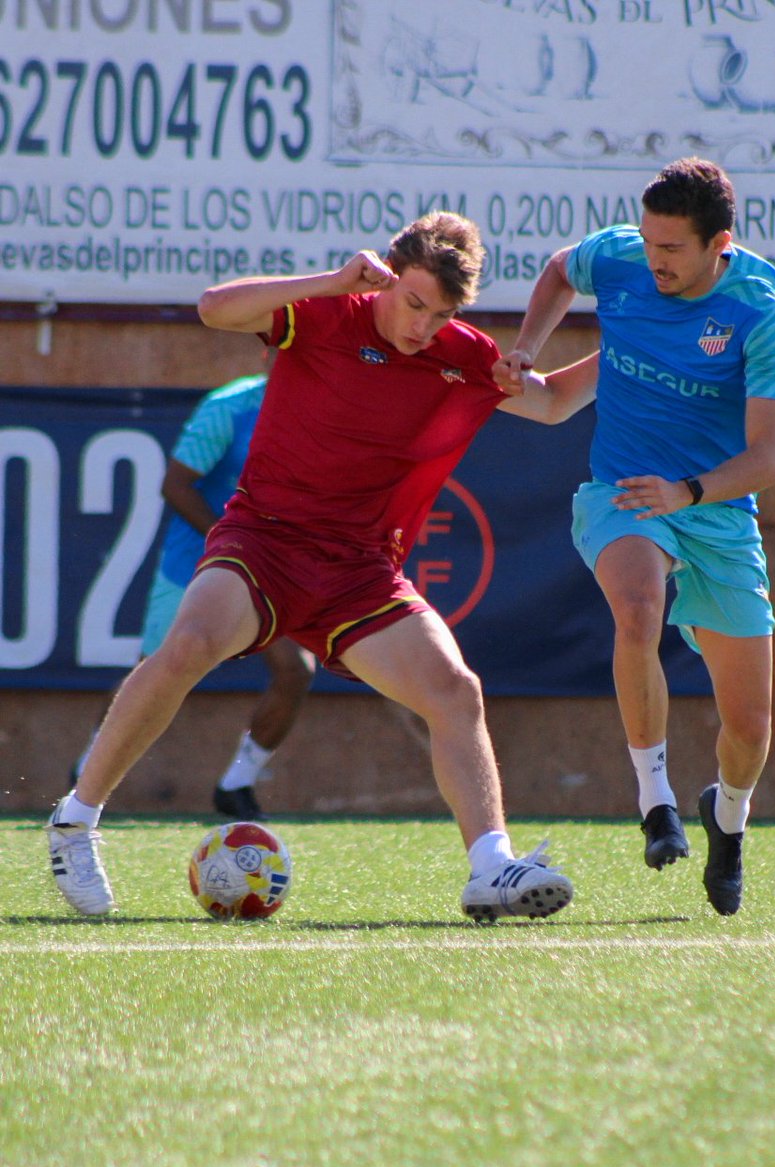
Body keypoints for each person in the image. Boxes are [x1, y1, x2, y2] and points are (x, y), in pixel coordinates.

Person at [46, 211, 597, 921]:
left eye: (441, 313)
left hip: (359, 571)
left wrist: (636, 342)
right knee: (186, 646)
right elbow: (214, 309)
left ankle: (490, 867)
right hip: (263, 541)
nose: (421, 326)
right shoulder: (328, 310)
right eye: (413, 303)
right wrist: (332, 278)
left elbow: (551, 405)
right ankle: (75, 822)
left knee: (455, 690)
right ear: (388, 279)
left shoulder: (461, 353)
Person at [494, 158, 775, 916]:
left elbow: (767, 458)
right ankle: (656, 802)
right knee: (635, 610)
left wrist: (689, 492)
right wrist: (528, 346)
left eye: (671, 249)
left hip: (717, 508)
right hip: (623, 491)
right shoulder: (621, 258)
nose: (653, 259)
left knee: (749, 728)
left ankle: (726, 820)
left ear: (717, 245)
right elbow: (558, 271)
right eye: (648, 241)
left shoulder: (762, 309)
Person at [71, 372, 316, 821]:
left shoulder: (331, 406)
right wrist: (229, 541)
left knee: (295, 669)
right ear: (269, 347)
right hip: (198, 561)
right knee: (154, 671)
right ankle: (85, 775)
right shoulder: (230, 406)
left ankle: (237, 785)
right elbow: (175, 484)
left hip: (273, 569)